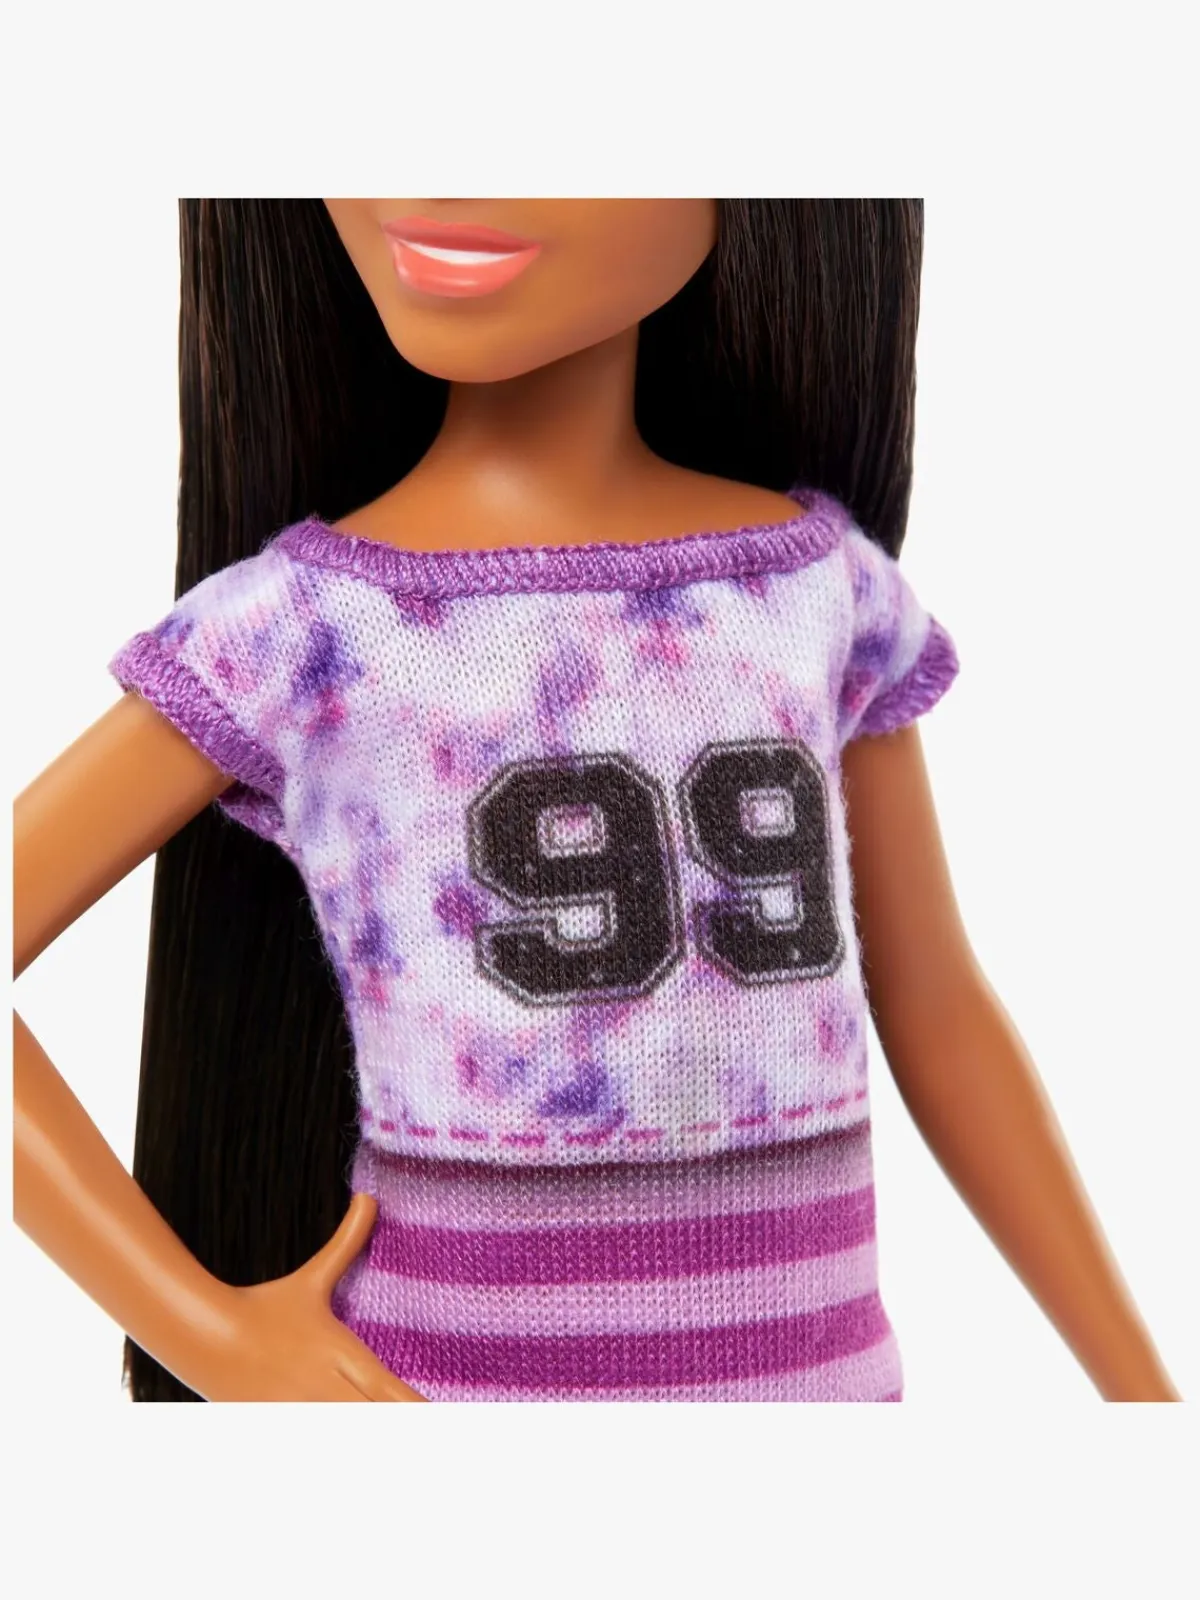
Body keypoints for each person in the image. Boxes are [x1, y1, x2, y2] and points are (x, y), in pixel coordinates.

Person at [12, 199, 1180, 1401]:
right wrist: (208, 1334)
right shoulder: (306, 630)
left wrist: (1140, 1393)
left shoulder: (817, 590)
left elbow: (937, 1008)